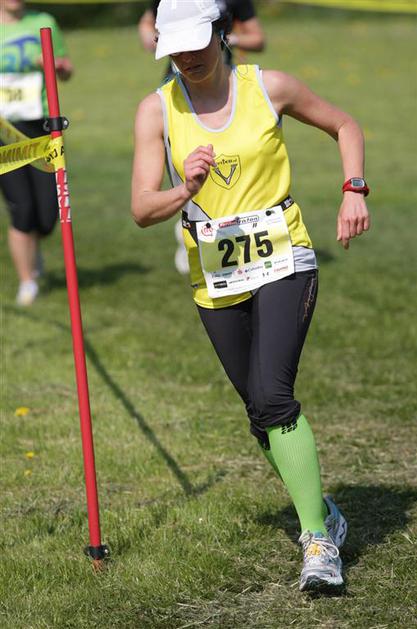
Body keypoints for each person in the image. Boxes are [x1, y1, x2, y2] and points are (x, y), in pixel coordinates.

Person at [131, 0, 370, 592]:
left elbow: (345, 124)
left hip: (285, 255)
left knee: (273, 395)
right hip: (216, 274)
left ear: (221, 32)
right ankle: (326, 513)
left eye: (197, 43)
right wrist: (184, 189)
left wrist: (353, 189)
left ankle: (318, 543)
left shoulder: (270, 87)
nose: (188, 58)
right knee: (260, 413)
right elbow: (141, 208)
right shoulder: (156, 110)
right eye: (176, 49)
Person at [138, 0, 265, 274]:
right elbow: (147, 23)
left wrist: (220, 37)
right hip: (178, 91)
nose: (187, 53)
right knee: (194, 170)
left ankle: (239, 233)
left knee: (229, 167)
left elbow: (258, 38)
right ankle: (194, 227)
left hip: (224, 88)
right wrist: (156, 37)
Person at [0, 0, 73, 306]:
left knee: (47, 215)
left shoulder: (44, 21)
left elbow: (66, 71)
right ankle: (27, 281)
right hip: (4, 131)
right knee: (22, 208)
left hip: (41, 126)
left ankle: (33, 247)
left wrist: (57, 66)